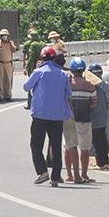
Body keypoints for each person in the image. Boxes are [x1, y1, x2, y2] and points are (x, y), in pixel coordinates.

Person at [24, 46, 72, 187]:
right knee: (55, 146)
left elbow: (26, 87)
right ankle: (55, 177)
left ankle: (42, 171)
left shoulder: (38, 72)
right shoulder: (63, 74)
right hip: (57, 115)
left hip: (40, 114)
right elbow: (68, 94)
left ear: (42, 58)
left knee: (36, 145)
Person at [65, 58, 97, 183]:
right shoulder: (89, 85)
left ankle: (69, 174)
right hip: (85, 120)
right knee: (84, 148)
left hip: (69, 119)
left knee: (68, 147)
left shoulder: (68, 84)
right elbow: (94, 103)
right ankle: (84, 174)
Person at [87, 63, 109, 170]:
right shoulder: (104, 85)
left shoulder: (92, 88)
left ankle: (102, 163)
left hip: (95, 118)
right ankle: (105, 162)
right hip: (103, 117)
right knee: (102, 139)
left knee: (98, 141)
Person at [23, 30, 46, 109]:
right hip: (43, 66)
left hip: (34, 67)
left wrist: (27, 67)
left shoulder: (32, 45)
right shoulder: (43, 44)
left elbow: (31, 57)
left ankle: (30, 103)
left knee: (31, 83)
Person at [0, 28, 17, 102]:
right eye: (3, 35)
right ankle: (1, 96)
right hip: (0, 63)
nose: (4, 37)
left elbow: (14, 50)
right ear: (1, 36)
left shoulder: (10, 43)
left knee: (8, 80)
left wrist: (10, 43)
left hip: (8, 63)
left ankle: (8, 95)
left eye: (6, 35)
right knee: (0, 80)